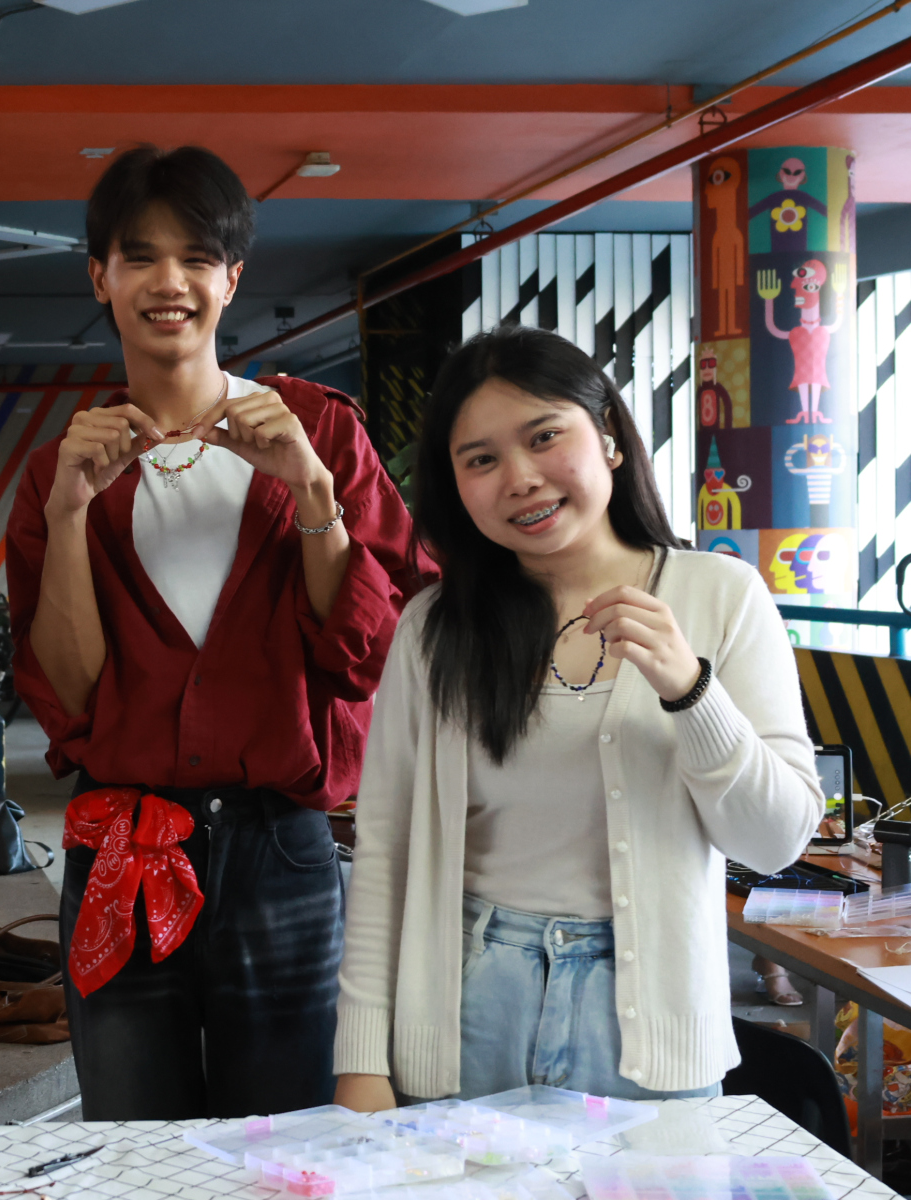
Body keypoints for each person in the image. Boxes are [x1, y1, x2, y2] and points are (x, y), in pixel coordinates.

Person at [5, 145, 421, 1120]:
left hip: (282, 847)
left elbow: (373, 657)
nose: (168, 282)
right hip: (122, 841)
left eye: (196, 258)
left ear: (231, 279)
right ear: (98, 277)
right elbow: (67, 691)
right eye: (139, 257)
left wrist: (312, 494)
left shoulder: (320, 432)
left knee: (284, 1149)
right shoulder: (59, 469)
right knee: (132, 1147)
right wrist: (68, 515)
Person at [334, 326, 822, 1107]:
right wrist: (360, 1058)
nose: (521, 478)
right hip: (468, 1005)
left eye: (544, 437)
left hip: (653, 1025)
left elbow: (776, 840)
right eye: (481, 459)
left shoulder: (720, 595)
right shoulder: (435, 628)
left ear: (609, 437)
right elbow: (384, 847)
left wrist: (691, 692)